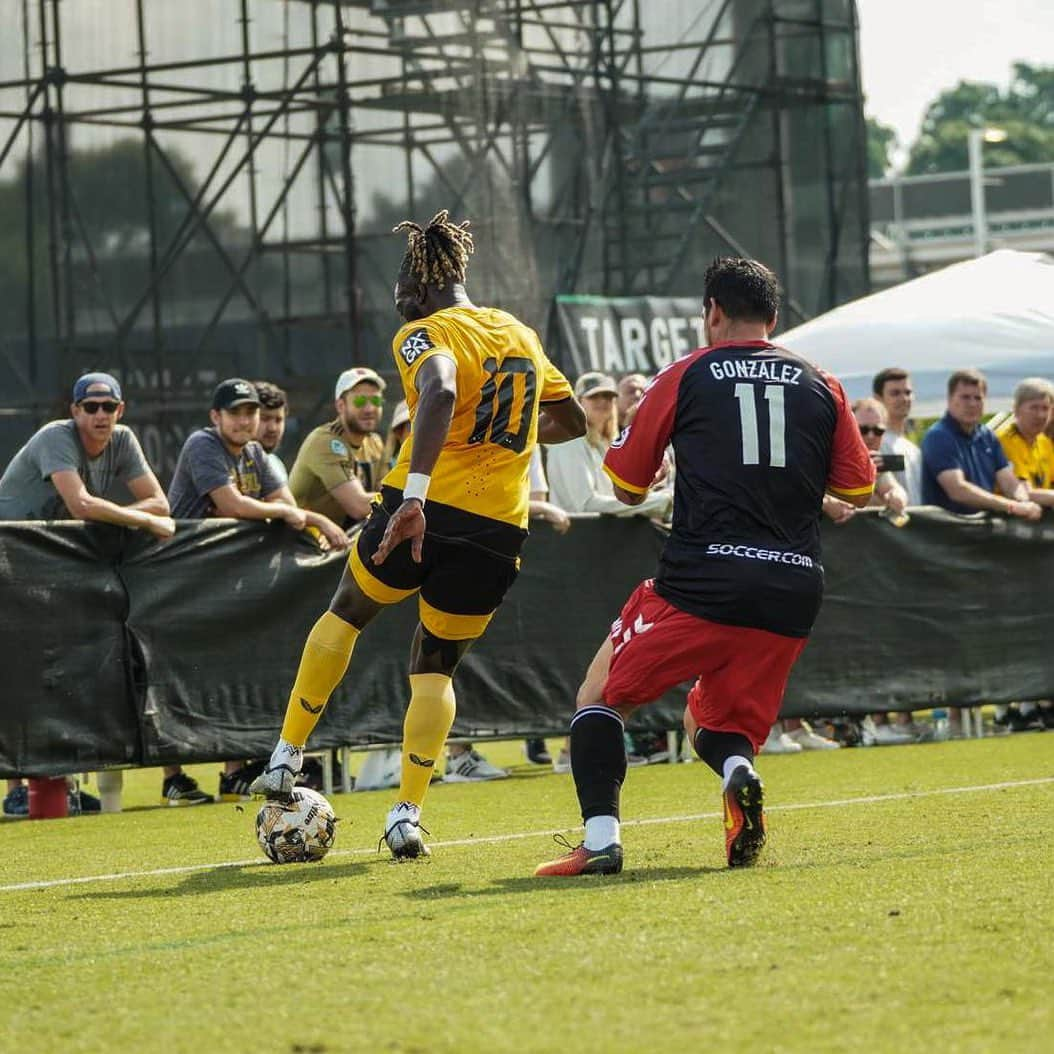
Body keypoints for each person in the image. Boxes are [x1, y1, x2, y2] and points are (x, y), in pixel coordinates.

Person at [250, 209, 585, 860]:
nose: (397, 301)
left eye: (400, 289)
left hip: (423, 507)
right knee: (434, 668)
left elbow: (437, 391)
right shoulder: (518, 331)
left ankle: (287, 757)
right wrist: (503, 436)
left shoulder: (422, 332)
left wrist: (420, 495)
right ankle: (405, 814)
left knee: (347, 613)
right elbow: (569, 419)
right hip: (498, 526)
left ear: (422, 284)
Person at [533, 256, 874, 877]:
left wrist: (671, 468)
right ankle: (739, 773)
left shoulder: (688, 373)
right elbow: (856, 488)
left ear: (712, 313)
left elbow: (628, 488)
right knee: (710, 718)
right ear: (774, 317)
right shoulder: (821, 382)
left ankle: (602, 839)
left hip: (703, 581)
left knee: (599, 697)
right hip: (793, 585)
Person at [0, 371, 174, 816]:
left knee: (56, 674)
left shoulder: (124, 440)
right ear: (74, 411)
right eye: (90, 407)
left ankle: (58, 782)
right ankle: (17, 787)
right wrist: (144, 522)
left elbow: (159, 501)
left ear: (121, 410)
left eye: (108, 406)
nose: (100, 415)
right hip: (10, 562)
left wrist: (128, 515)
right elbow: (82, 506)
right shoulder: (55, 438)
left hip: (53, 569)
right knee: (18, 675)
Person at [167, 379, 348, 801]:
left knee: (232, 671)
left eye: (251, 412)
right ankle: (171, 777)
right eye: (236, 412)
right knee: (171, 678)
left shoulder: (253, 453)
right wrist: (291, 515)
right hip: (177, 583)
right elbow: (234, 505)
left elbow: (285, 503)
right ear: (216, 417)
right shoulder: (202, 444)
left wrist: (304, 517)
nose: (246, 420)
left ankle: (234, 772)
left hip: (223, 583)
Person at [546, 371, 671, 520]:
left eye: (608, 396)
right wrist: (660, 501)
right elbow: (586, 505)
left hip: (605, 537)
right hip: (575, 537)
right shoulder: (569, 441)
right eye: (593, 396)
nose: (602, 401)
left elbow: (614, 498)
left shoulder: (606, 443)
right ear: (578, 402)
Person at [920, 369, 1041, 520]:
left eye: (978, 398)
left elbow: (1009, 482)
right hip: (945, 536)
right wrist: (1012, 506)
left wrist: (1024, 502)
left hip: (983, 533)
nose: (972, 404)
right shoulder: (938, 436)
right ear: (950, 399)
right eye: (965, 397)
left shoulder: (987, 435)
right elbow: (958, 490)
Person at [288, 367, 387, 528]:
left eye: (375, 401)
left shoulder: (374, 442)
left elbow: (384, 491)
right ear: (341, 406)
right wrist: (409, 497)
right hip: (304, 540)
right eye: (360, 401)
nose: (369, 409)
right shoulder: (325, 442)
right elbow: (358, 506)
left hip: (344, 537)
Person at [995, 377, 1054, 508]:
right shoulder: (1003, 442)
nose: (1040, 415)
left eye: (1045, 408)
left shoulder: (1044, 442)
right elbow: (1023, 493)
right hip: (1011, 518)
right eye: (1033, 408)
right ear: (1016, 409)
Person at [872, 367, 923, 505]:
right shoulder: (874, 443)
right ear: (878, 398)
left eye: (908, 392)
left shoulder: (913, 448)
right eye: (895, 393)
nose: (904, 398)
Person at [853, 398, 908, 517]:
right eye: (863, 430)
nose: (871, 436)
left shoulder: (874, 461)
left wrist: (896, 496)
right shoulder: (831, 460)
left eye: (878, 430)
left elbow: (894, 489)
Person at [254, 381, 290, 487]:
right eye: (264, 418)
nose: (272, 428)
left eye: (278, 420)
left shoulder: (276, 465)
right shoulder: (227, 464)